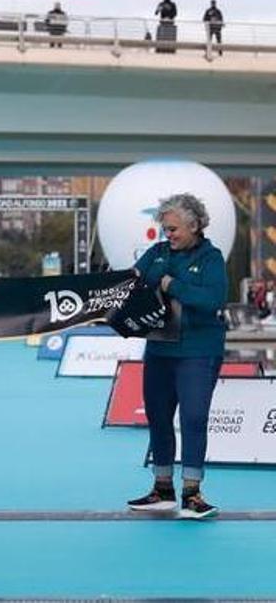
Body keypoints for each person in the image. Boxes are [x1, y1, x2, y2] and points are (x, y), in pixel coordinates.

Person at [127, 193, 226, 520]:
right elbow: (132, 282)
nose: (167, 235)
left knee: (194, 419)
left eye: (173, 229)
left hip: (198, 351)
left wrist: (170, 284)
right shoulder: (156, 252)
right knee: (157, 417)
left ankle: (193, 493)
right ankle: (162, 488)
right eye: (165, 229)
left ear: (194, 225)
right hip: (158, 349)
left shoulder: (212, 258)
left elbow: (212, 299)